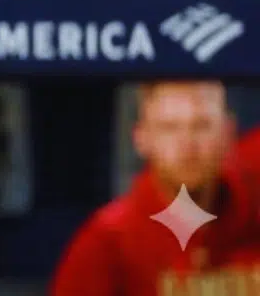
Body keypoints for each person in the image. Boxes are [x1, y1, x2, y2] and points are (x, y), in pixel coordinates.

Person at [51, 82, 260, 294]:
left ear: (228, 132)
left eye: (202, 125)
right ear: (141, 137)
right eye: (169, 128)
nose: (187, 144)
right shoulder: (106, 244)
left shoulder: (252, 210)